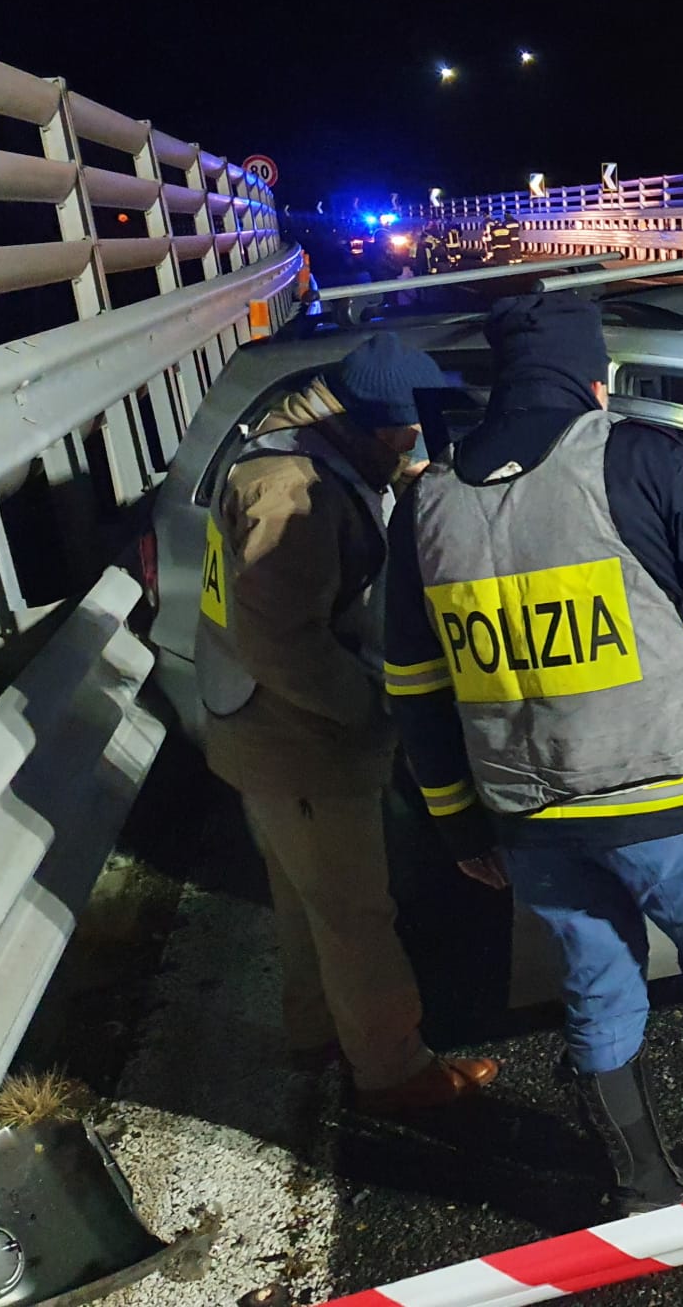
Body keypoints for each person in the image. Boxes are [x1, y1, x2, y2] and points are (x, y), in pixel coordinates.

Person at [382, 294, 683, 1213]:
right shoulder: (634, 458)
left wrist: (456, 823)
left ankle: (642, 1188)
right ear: (594, 378)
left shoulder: (425, 505)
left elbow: (415, 690)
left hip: (528, 820)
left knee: (596, 989)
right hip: (659, 798)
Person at [197, 333, 500, 1114]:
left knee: (309, 903)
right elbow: (283, 643)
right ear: (366, 423)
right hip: (296, 737)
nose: (416, 445)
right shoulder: (293, 495)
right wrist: (376, 715)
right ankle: (395, 1070)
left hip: (262, 732)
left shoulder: (302, 454)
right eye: (407, 434)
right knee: (359, 913)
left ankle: (317, 1035)